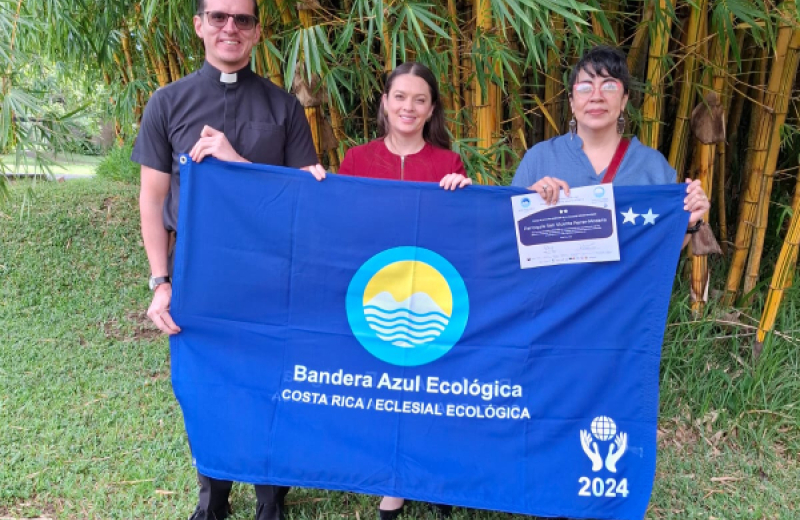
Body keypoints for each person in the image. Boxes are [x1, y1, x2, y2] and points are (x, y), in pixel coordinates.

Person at [131, 0, 325, 519]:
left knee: (272, 384)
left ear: (257, 32)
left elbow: (302, 201)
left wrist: (236, 161)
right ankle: (213, 496)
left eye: (242, 19)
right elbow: (152, 199)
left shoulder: (284, 107)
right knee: (207, 387)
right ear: (199, 26)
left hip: (271, 272)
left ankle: (271, 498)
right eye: (218, 16)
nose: (230, 28)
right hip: (199, 273)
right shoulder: (167, 102)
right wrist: (160, 280)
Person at [338, 62, 470, 519]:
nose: (408, 107)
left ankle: (433, 477)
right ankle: (393, 483)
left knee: (431, 388)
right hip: (374, 293)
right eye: (400, 97)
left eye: (420, 99)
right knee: (385, 389)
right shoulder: (356, 159)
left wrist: (464, 196)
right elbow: (340, 224)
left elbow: (463, 235)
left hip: (430, 294)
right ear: (385, 102)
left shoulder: (447, 163)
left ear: (431, 109)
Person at [512, 45, 709, 243]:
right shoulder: (539, 158)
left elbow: (665, 247)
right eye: (585, 88)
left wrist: (690, 221)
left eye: (609, 87)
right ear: (571, 101)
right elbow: (509, 235)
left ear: (624, 100)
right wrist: (527, 202)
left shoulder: (652, 165)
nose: (596, 97)